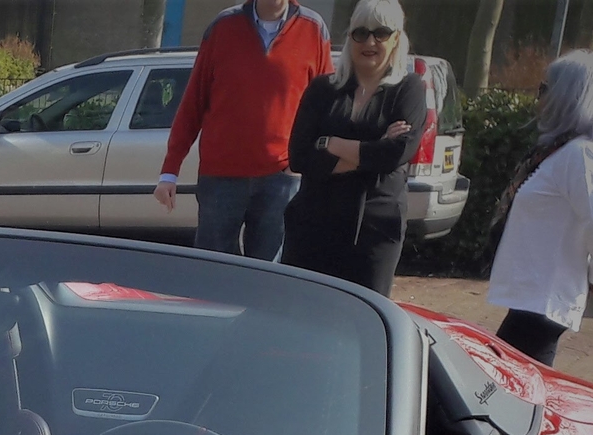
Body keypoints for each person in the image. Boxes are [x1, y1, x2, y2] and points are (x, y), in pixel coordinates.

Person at [154, 0, 333, 260]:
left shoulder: (313, 29)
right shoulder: (223, 27)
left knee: (270, 277)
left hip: (281, 179)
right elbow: (194, 101)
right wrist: (170, 171)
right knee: (212, 271)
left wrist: (309, 164)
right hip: (220, 177)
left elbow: (326, 106)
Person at [485, 50, 593, 366]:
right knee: (510, 384)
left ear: (569, 97)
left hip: (545, 299)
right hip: (533, 297)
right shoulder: (560, 151)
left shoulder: (582, 155)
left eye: (545, 89)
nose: (539, 98)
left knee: (515, 387)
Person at [280, 0, 428, 293]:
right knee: (302, 316)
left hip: (375, 229)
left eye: (380, 33)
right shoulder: (323, 90)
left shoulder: (409, 89)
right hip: (314, 223)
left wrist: (329, 145)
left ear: (396, 38)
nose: (369, 42)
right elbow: (298, 157)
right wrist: (374, 147)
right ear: (349, 38)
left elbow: (397, 153)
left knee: (364, 323)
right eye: (360, 33)